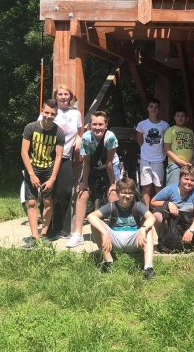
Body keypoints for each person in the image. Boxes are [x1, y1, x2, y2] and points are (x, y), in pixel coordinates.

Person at [86, 177, 157, 278]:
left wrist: (143, 228)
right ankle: (108, 261)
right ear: (118, 193)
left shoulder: (138, 205)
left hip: (134, 240)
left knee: (148, 228)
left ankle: (148, 268)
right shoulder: (112, 206)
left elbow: (151, 217)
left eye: (130, 193)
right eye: (124, 192)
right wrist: (105, 233)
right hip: (115, 239)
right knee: (96, 224)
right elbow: (90, 216)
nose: (127, 196)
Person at [39, 84, 83, 240]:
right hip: (47, 157)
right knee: (48, 193)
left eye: (66, 94)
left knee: (64, 192)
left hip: (65, 157)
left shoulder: (76, 114)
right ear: (56, 96)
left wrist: (78, 138)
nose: (63, 97)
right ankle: (47, 228)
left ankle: (61, 228)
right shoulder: (50, 111)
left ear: (70, 97)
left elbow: (78, 132)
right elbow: (39, 128)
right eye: (60, 94)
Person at [71, 111, 121, 248]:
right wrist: (84, 183)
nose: (97, 127)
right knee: (82, 194)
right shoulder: (86, 138)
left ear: (106, 125)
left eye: (100, 124)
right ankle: (78, 234)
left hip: (109, 166)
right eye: (94, 124)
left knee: (113, 194)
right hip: (92, 165)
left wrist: (112, 184)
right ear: (90, 125)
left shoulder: (110, 138)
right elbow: (86, 162)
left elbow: (110, 162)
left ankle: (116, 231)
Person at [21, 99, 65, 247]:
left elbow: (59, 157)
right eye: (46, 112)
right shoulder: (31, 128)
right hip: (33, 168)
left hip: (49, 169)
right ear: (42, 111)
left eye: (52, 114)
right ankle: (34, 237)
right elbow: (24, 152)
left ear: (56, 114)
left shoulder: (59, 132)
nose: (49, 116)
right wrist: (32, 174)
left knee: (48, 202)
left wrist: (53, 178)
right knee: (32, 202)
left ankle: (44, 233)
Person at [151, 165, 194, 251]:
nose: (189, 182)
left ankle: (189, 239)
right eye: (186, 179)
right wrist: (168, 203)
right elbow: (153, 202)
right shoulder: (171, 189)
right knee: (156, 213)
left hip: (189, 220)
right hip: (173, 219)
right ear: (179, 178)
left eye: (192, 180)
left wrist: (191, 230)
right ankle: (163, 240)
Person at [136, 98, 170, 207]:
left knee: (158, 187)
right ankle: (145, 212)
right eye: (151, 107)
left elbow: (166, 142)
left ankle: (159, 213)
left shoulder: (165, 125)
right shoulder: (142, 124)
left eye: (156, 107)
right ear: (148, 109)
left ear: (159, 109)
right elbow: (140, 142)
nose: (153, 109)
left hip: (159, 160)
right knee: (146, 187)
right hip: (145, 159)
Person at [164, 106, 194, 186]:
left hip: (189, 166)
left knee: (187, 188)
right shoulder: (170, 130)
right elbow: (167, 149)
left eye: (182, 116)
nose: (180, 118)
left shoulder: (190, 131)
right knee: (174, 189)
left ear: (186, 118)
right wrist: (179, 161)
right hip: (175, 164)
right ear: (174, 117)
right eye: (178, 116)